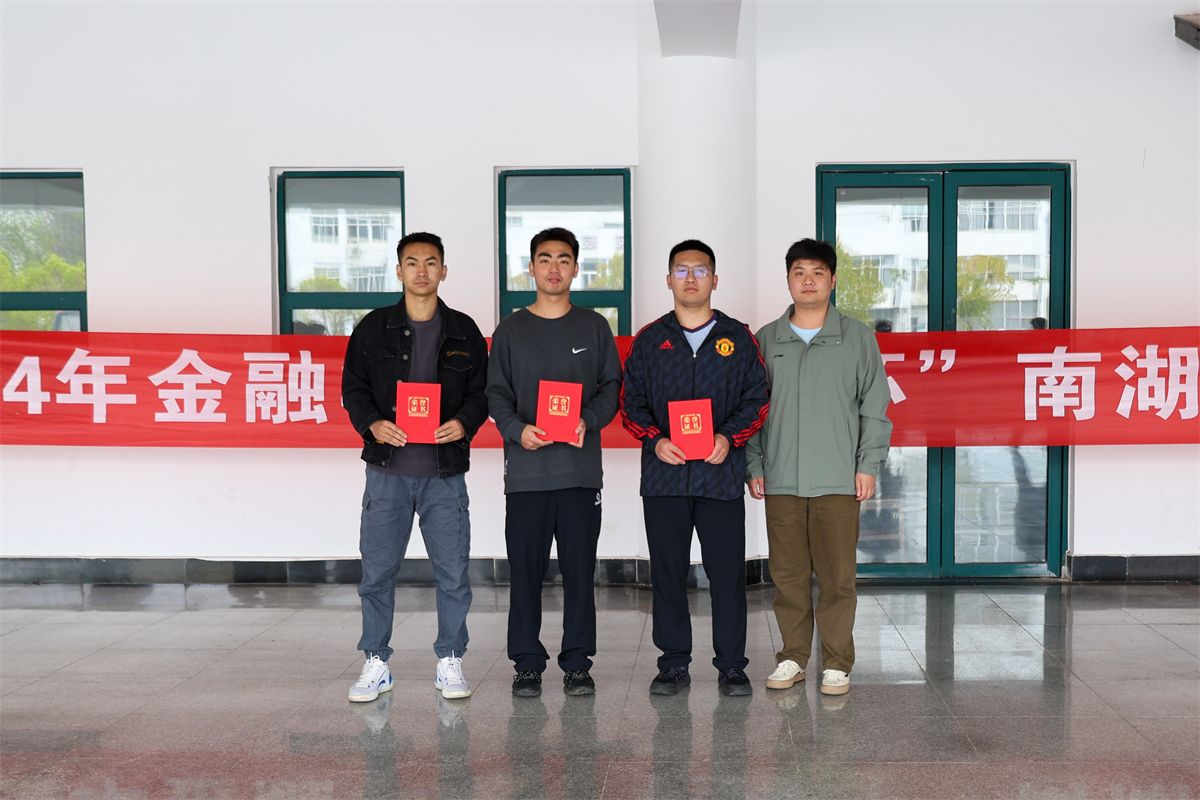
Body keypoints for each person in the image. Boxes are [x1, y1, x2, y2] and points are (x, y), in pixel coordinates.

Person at [341, 232, 489, 703]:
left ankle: (450, 659)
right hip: (387, 472)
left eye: (430, 262)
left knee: (453, 573)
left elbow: (482, 393)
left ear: (444, 270)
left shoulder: (464, 330)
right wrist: (373, 423)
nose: (421, 271)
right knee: (377, 573)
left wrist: (463, 422)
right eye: (412, 262)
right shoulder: (373, 328)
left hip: (444, 473)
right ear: (398, 270)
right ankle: (376, 660)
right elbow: (353, 389)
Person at [620, 239, 769, 697]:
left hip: (720, 477)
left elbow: (758, 399)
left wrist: (729, 438)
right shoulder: (650, 340)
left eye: (700, 270)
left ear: (715, 280)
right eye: (681, 270)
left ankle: (732, 666)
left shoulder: (738, 338)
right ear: (668, 279)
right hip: (664, 478)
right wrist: (656, 440)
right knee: (667, 574)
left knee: (727, 575)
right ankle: (673, 664)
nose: (690, 278)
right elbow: (630, 404)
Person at [746, 238, 892, 697]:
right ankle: (792, 656)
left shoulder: (857, 338)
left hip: (838, 478)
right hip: (782, 478)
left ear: (832, 280)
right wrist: (754, 462)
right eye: (799, 273)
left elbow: (875, 406)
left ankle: (836, 662)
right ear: (788, 280)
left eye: (817, 273)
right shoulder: (767, 339)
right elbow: (751, 408)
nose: (807, 281)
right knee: (788, 576)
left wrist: (868, 464)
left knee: (837, 578)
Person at [486, 227, 622, 698]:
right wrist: (517, 430)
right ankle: (527, 663)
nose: (554, 268)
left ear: (575, 269)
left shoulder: (594, 327)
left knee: (580, 572)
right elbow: (496, 394)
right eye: (545, 259)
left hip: (579, 474)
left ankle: (578, 663)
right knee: (525, 573)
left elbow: (611, 388)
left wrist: (588, 419)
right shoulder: (510, 330)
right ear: (531, 268)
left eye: (564, 260)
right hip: (526, 474)